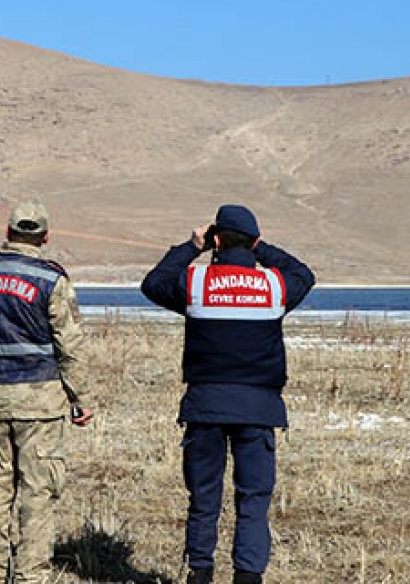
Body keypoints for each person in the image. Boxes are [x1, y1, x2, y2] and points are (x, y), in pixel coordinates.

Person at [141, 205, 315, 584]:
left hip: (205, 408)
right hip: (259, 409)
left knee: (204, 498)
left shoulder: (196, 284)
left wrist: (191, 247)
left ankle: (200, 573)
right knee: (253, 500)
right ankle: (248, 576)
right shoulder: (274, 287)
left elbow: (153, 283)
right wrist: (259, 249)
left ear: (215, 240)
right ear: (252, 241)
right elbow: (304, 274)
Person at [0, 201, 93, 584]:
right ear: (45, 237)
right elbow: (69, 344)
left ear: (8, 231)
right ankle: (32, 577)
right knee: (38, 492)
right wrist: (81, 397)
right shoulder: (51, 279)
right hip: (42, 402)